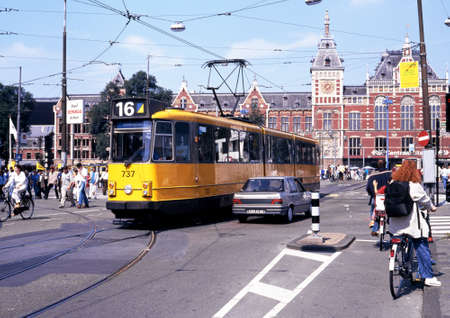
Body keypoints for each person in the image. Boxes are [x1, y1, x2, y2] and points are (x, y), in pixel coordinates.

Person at [388, 160, 441, 287]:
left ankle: (398, 260)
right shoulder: (413, 185)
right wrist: (432, 207)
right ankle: (427, 276)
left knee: (397, 238)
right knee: (422, 243)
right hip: (410, 223)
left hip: (395, 223)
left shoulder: (393, 183)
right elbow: (425, 200)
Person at [366, 160, 391, 236]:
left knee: (374, 208)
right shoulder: (389, 174)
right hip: (387, 197)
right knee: (389, 209)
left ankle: (374, 225)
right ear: (385, 165)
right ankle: (390, 221)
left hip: (376, 197)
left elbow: (368, 188)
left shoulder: (372, 176)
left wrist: (372, 194)